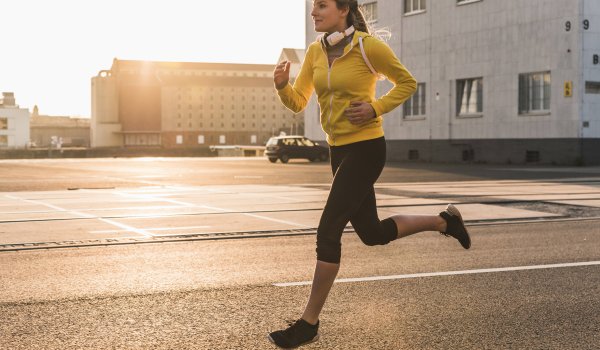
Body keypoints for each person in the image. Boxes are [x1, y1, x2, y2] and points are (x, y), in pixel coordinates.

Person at [269, 0, 471, 348]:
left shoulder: (368, 47)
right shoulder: (316, 52)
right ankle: (445, 222)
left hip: (366, 149)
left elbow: (407, 83)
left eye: (322, 6)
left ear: (343, 9)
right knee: (373, 234)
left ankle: (308, 324)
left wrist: (376, 106)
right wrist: (283, 86)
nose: (313, 12)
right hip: (339, 151)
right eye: (313, 6)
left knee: (328, 229)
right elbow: (300, 101)